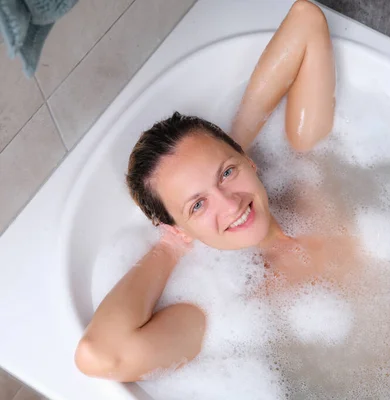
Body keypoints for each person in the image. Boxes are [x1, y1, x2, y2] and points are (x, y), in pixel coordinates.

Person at [74, 0, 347, 382]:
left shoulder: (308, 174)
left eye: (227, 174)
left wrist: (228, 152)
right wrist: (170, 246)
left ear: (247, 160)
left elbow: (306, 18)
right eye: (197, 204)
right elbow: (100, 355)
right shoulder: (220, 305)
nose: (231, 203)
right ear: (180, 228)